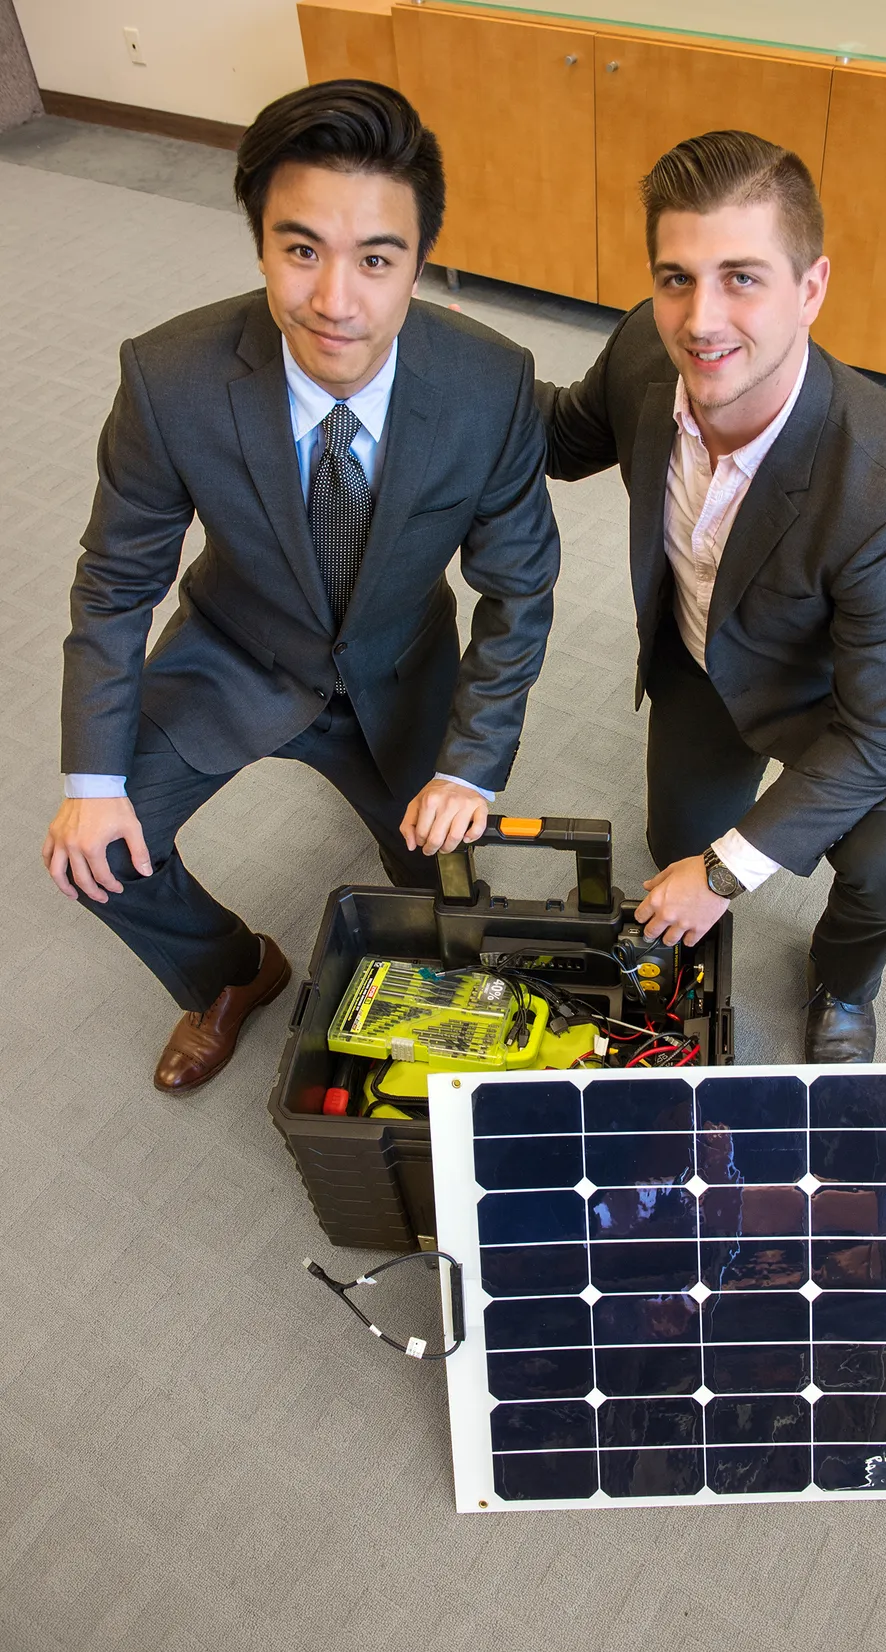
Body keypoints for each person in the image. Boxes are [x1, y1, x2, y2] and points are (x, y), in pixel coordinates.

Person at [42, 80, 559, 1092]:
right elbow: (115, 584)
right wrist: (91, 785)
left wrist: (472, 766)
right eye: (300, 248)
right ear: (260, 244)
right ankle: (232, 972)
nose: (335, 299)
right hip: (236, 650)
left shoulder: (489, 385)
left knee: (444, 873)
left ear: (419, 260)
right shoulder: (169, 378)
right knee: (97, 857)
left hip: (397, 664)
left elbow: (519, 589)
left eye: (376, 258)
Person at [536, 130, 886, 1061]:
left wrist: (725, 873)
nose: (700, 319)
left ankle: (843, 983)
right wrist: (416, 360)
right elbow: (560, 438)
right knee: (671, 842)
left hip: (840, 710)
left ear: (812, 288)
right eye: (676, 277)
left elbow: (885, 727)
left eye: (743, 278)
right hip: (702, 660)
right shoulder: (646, 349)